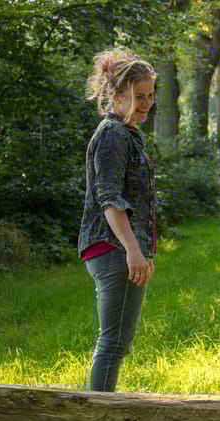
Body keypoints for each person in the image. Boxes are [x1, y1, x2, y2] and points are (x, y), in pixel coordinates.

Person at [77, 48, 157, 392]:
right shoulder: (113, 134)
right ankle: (98, 418)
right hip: (113, 248)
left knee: (116, 344)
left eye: (150, 95)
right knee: (112, 345)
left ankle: (99, 413)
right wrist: (133, 251)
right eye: (139, 96)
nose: (146, 104)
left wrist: (141, 250)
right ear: (117, 96)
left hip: (119, 248)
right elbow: (108, 197)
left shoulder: (126, 133)